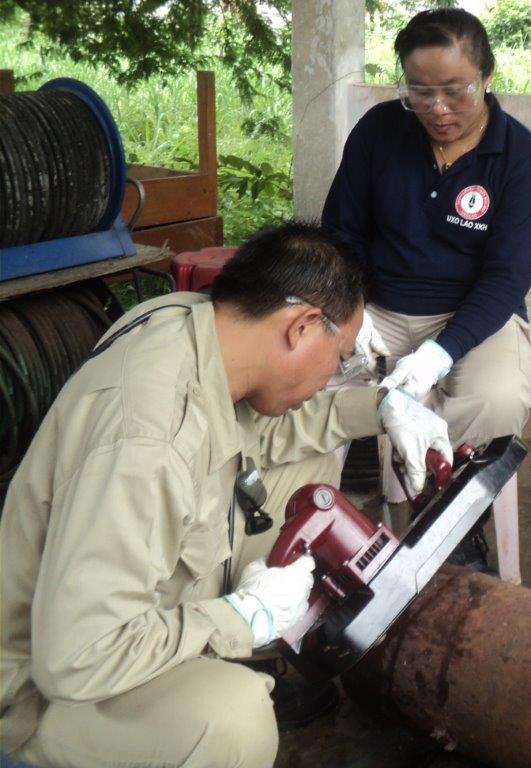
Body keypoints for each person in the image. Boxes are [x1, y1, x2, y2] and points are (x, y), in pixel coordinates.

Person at [0, 222, 451, 768]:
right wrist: (242, 618)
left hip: (125, 592)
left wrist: (378, 408)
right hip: (46, 690)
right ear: (302, 326)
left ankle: (251, 643)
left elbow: (262, 432)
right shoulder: (151, 438)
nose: (338, 371)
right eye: (341, 357)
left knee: (308, 463)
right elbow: (74, 657)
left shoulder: (190, 324)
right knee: (236, 719)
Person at [321, 7, 531, 454]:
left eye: (454, 91)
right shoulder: (379, 131)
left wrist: (440, 353)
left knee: (497, 401)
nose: (438, 109)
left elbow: (507, 277)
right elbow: (341, 233)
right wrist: (351, 306)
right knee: (297, 378)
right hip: (376, 310)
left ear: (487, 76)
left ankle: (443, 510)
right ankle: (323, 505)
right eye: (420, 93)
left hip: (472, 317)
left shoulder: (523, 160)